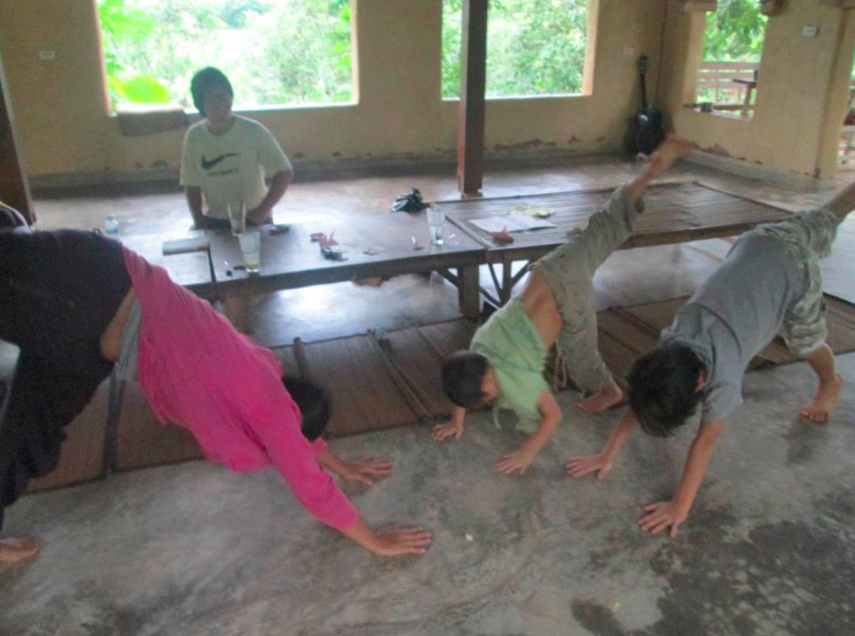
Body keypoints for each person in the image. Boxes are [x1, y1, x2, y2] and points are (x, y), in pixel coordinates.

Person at [0, 205, 430, 563]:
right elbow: (307, 478)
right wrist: (375, 540)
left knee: (23, 438)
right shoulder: (265, 405)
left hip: (87, 341)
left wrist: (342, 466)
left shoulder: (266, 387)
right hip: (87, 281)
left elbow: (298, 434)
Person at [567, 179, 853, 537]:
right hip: (758, 244)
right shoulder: (670, 343)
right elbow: (642, 397)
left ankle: (830, 382)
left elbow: (704, 443)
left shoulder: (723, 376)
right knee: (823, 217)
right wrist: (607, 453)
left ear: (701, 384)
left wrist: (679, 507)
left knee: (805, 341)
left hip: (791, 268)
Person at [435, 137, 696, 475]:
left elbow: (552, 417)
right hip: (552, 268)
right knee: (604, 225)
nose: (494, 396)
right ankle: (648, 173)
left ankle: (609, 391)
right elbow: (464, 376)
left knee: (580, 356)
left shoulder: (516, 374)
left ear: (488, 386)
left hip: (568, 300)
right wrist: (458, 420)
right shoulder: (480, 346)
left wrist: (527, 453)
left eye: (488, 396)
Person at [180, 67, 294, 230]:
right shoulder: (194, 137)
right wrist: (198, 220)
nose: (220, 103)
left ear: (231, 98)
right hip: (216, 219)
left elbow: (285, 172)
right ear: (200, 104)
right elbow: (191, 184)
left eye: (223, 96)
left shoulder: (253, 131)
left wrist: (262, 212)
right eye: (211, 99)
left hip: (253, 217)